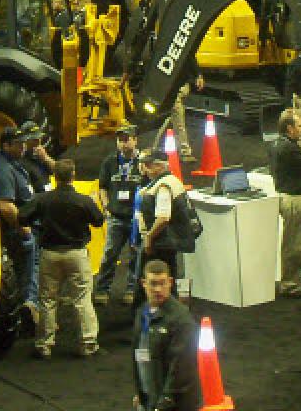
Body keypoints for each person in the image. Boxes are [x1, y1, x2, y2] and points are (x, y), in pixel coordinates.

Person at [19, 159, 105, 359]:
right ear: (73, 175)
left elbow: (22, 217)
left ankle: (44, 345)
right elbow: (99, 221)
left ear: (55, 177)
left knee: (47, 300)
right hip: (76, 253)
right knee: (82, 299)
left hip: (50, 253)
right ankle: (88, 343)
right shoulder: (83, 200)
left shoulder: (43, 199)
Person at [0, 125, 38, 324]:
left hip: (17, 226)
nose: (24, 147)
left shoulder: (8, 161)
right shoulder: (3, 169)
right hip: (15, 230)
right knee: (28, 270)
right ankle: (28, 307)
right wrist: (25, 229)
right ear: (6, 145)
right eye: (19, 144)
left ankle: (28, 306)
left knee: (27, 269)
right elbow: (6, 206)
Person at [132, 259, 201, 411]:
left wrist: (164, 403)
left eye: (162, 283)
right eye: (153, 283)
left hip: (174, 405)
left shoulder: (181, 320)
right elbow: (138, 355)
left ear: (170, 282)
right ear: (143, 283)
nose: (158, 289)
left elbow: (181, 368)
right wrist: (141, 393)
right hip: (149, 398)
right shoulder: (142, 313)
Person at [271, 110, 301, 298]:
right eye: (299, 126)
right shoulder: (290, 149)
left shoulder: (276, 144)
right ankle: (292, 284)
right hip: (295, 200)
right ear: (289, 128)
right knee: (298, 244)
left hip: (288, 198)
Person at [96, 125, 144, 305]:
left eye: (127, 139)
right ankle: (102, 289)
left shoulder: (142, 162)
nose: (123, 144)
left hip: (136, 218)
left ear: (135, 140)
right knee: (109, 254)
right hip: (116, 217)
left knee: (135, 255)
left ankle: (131, 289)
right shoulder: (109, 162)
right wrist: (107, 206)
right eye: (120, 140)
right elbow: (102, 186)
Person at [138, 149, 192, 283]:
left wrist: (149, 237)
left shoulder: (163, 186)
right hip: (170, 242)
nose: (145, 169)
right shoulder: (171, 180)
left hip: (162, 245)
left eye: (148, 165)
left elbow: (163, 218)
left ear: (160, 166)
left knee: (158, 281)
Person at [17, 121, 54, 192]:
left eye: (39, 138)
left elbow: (60, 172)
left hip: (47, 196)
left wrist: (46, 158)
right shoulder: (20, 162)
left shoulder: (41, 156)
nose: (38, 141)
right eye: (34, 139)